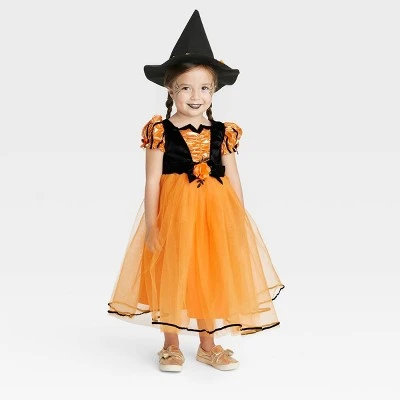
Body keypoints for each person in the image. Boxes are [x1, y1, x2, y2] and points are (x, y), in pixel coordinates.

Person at [107, 9, 285, 372]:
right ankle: (170, 344)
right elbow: (152, 180)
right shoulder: (160, 130)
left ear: (214, 91)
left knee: (210, 274)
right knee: (174, 272)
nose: (195, 96)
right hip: (175, 214)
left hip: (215, 216)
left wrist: (238, 220)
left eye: (204, 88)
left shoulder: (223, 132)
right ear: (170, 89)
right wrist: (153, 225)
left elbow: (234, 177)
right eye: (186, 87)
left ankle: (208, 344)